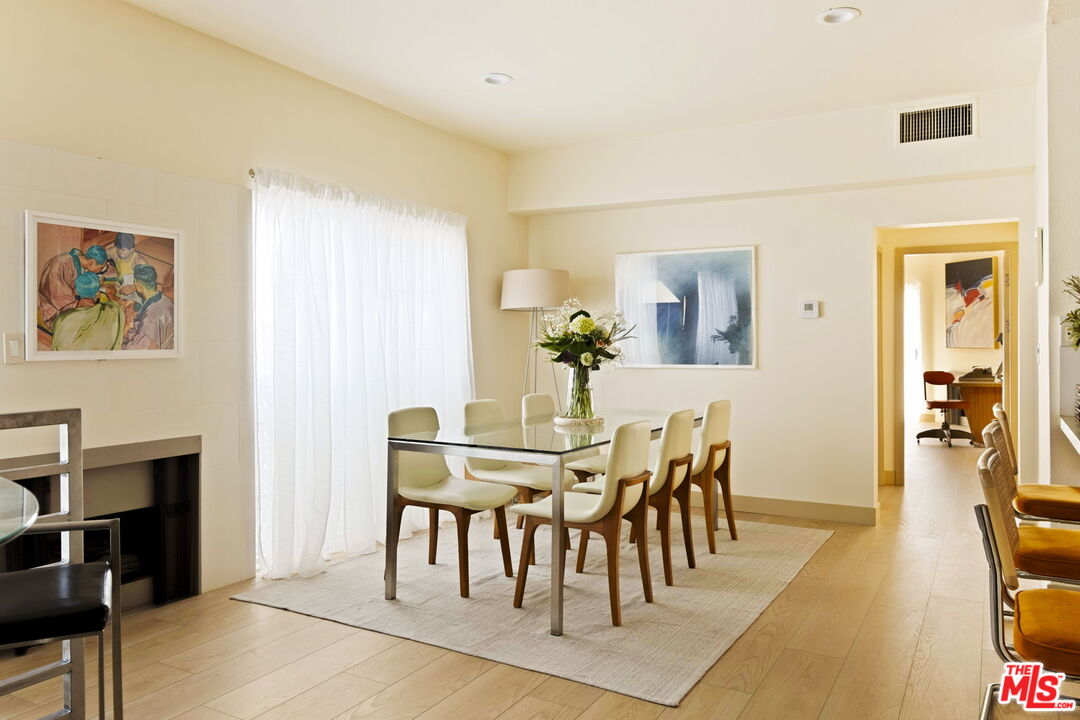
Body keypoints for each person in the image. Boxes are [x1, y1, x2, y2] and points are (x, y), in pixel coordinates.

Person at [38, 245, 108, 329]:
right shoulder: (59, 265)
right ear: (92, 262)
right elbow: (58, 297)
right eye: (100, 268)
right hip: (56, 311)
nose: (100, 271)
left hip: (72, 303)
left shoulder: (80, 261)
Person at [50, 272, 124, 351]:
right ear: (98, 293)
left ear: (76, 292)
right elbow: (118, 306)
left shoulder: (61, 320)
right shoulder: (111, 312)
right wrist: (111, 294)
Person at [124, 264, 174, 350]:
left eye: (134, 283)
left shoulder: (151, 317)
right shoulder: (165, 299)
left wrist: (129, 327)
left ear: (139, 286)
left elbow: (138, 349)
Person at [105, 232, 149, 303]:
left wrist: (134, 287)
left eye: (123, 250)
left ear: (132, 250)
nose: (119, 252)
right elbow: (101, 256)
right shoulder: (113, 251)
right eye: (118, 248)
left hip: (133, 290)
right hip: (119, 283)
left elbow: (148, 282)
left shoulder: (139, 261)